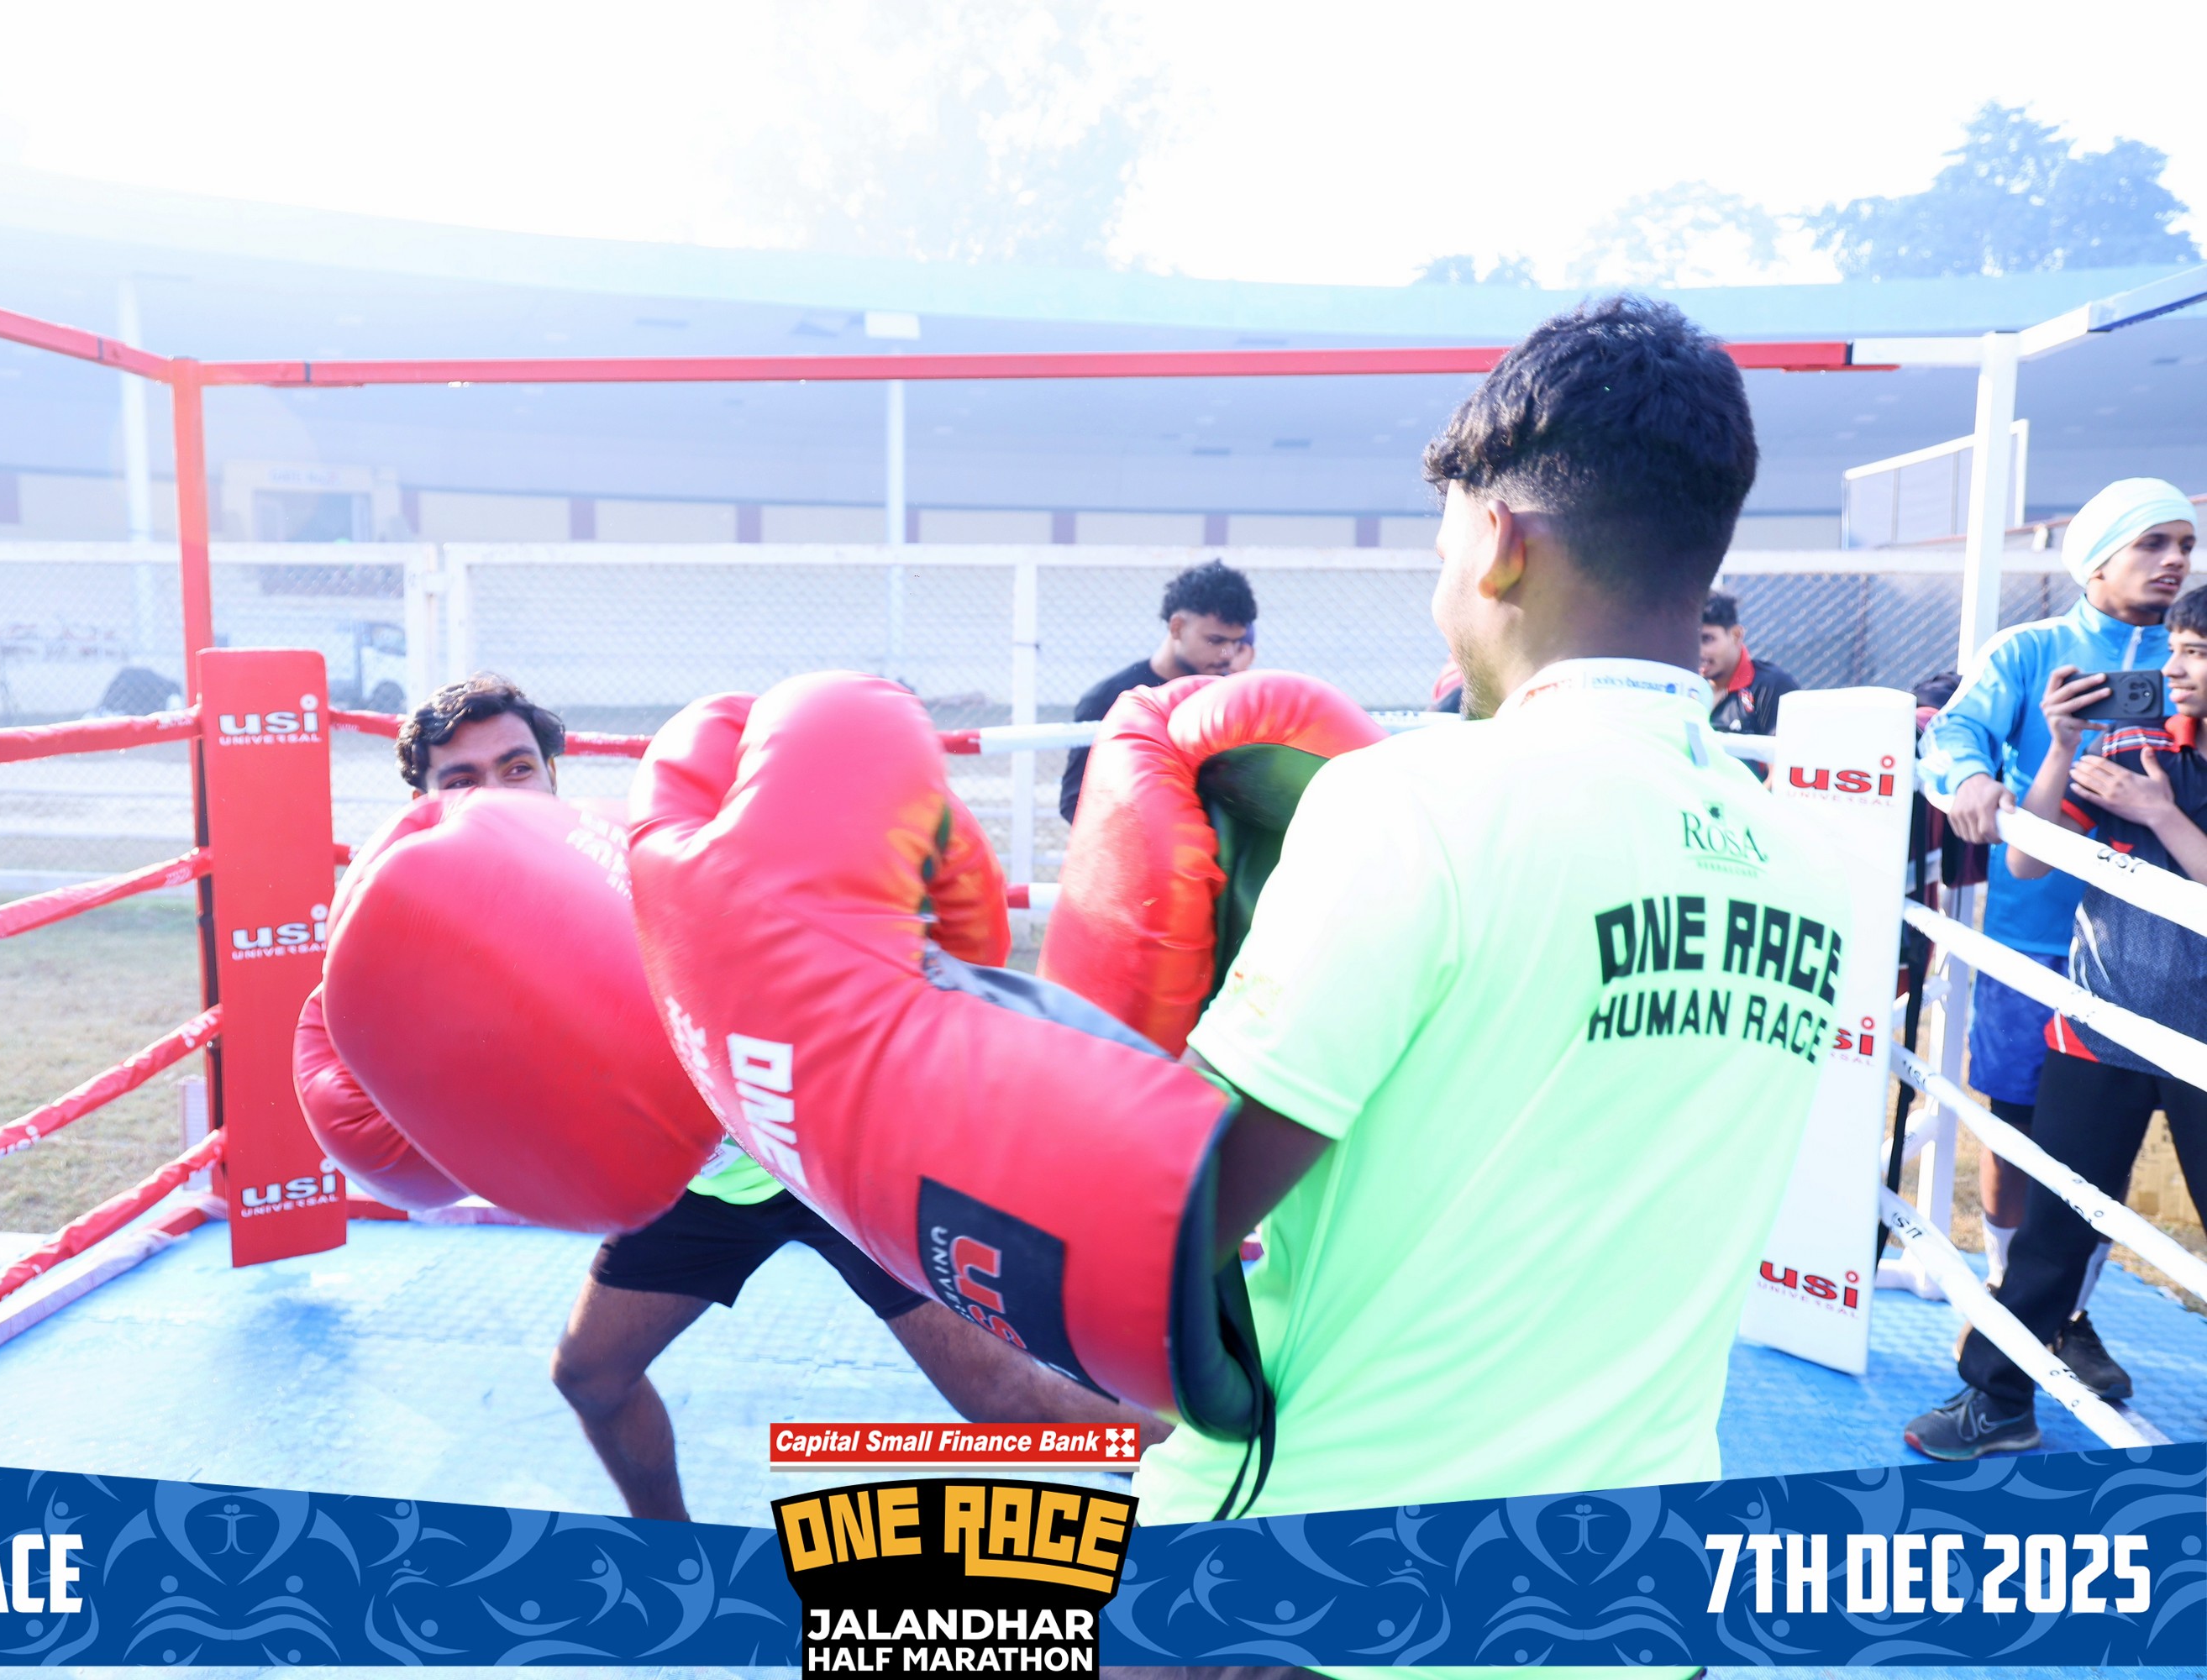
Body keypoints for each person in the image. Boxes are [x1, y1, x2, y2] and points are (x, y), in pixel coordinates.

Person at [1124, 298, 1852, 1573]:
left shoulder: (1413, 802)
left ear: (1502, 545)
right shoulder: (1802, 861)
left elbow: (1172, 1210)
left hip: (1327, 1570)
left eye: (1445, 545)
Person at [391, 675, 1164, 1520]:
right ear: (424, 802)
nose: (500, 792)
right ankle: (672, 1554)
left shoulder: (638, 848)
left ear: (551, 772)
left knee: (1006, 1399)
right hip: (698, 1182)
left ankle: (1226, 1473)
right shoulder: (437, 928)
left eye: (516, 766)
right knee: (591, 1377)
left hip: (823, 1148)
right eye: (462, 779)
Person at [1906, 585, 2207, 1457]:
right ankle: (1997, 1401)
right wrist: (2064, 745)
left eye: (2195, 653)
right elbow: (2029, 860)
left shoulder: (2156, 783)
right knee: (2052, 1231)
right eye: (2174, 649)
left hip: (2199, 1044)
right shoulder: (2132, 744)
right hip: (2100, 1024)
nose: (2174, 668)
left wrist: (2159, 815)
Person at [1059, 560, 1255, 822]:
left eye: (1236, 642)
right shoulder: (1110, 698)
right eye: (1215, 640)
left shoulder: (1231, 697)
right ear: (1177, 627)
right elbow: (1075, 801)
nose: (1228, 654)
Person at [1700, 588, 1799, 738]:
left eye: (1707, 639)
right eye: (1689, 640)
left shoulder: (1772, 686)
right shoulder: (1683, 685)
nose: (1697, 651)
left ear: (1736, 635)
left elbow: (1786, 751)